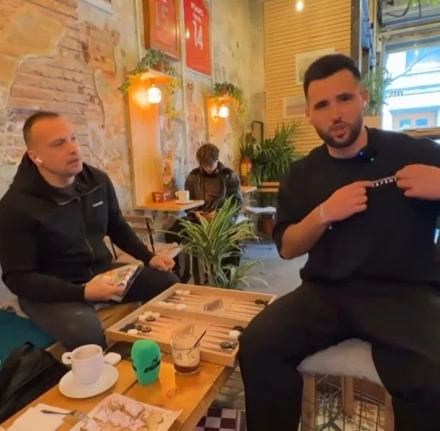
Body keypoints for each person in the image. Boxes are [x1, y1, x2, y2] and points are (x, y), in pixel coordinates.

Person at [238, 54, 440, 431]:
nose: (335, 114)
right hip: (327, 293)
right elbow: (287, 247)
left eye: (344, 99)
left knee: (432, 381)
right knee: (257, 344)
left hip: (406, 293)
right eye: (322, 105)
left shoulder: (415, 153)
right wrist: (324, 213)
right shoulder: (301, 175)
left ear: (363, 98)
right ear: (309, 115)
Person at [0, 111, 179, 351]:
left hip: (101, 273)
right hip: (53, 290)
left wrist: (149, 257)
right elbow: (19, 278)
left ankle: (156, 354)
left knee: (168, 283)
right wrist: (83, 292)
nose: (73, 148)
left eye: (73, 138)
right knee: (85, 334)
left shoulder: (97, 181)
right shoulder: (15, 206)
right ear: (35, 157)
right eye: (59, 143)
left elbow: (117, 226)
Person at [165, 143, 243, 281]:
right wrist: (194, 212)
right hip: (197, 218)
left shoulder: (228, 175)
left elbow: (237, 202)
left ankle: (226, 279)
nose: (207, 168)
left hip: (220, 219)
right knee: (171, 233)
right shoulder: (193, 176)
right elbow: (188, 201)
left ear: (217, 160)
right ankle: (176, 274)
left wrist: (219, 215)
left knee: (232, 242)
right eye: (203, 165)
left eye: (210, 165)